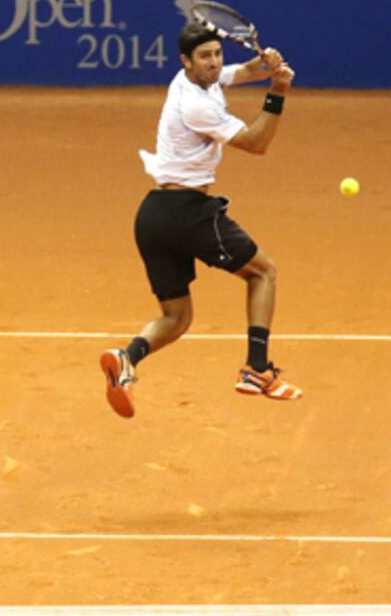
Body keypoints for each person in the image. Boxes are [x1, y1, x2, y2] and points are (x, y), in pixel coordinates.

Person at [100, 21, 303, 419]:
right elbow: (257, 143)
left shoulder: (192, 79)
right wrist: (277, 92)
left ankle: (126, 358)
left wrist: (265, 65)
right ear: (186, 61)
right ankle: (257, 369)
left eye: (217, 54)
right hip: (186, 213)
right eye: (204, 57)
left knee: (176, 318)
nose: (214, 63)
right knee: (263, 272)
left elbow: (240, 73)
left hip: (152, 216)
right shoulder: (197, 105)